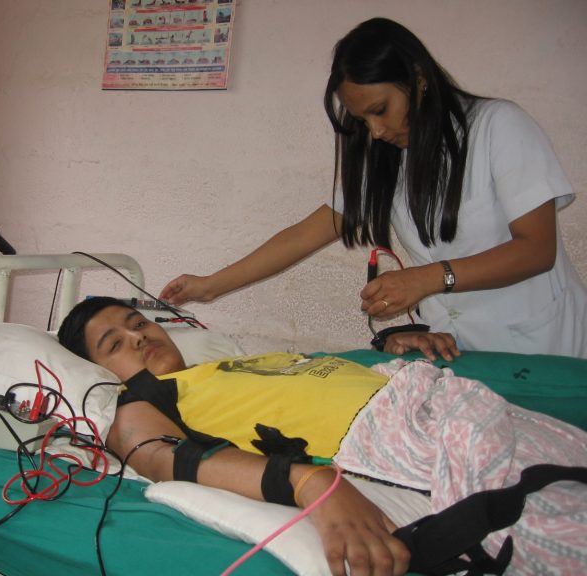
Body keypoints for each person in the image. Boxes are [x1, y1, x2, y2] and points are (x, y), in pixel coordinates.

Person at [58, 297, 587, 576]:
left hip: (432, 394)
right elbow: (161, 458)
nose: (138, 336)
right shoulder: (139, 403)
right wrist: (309, 483)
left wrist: (390, 343)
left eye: (137, 323)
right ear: (98, 371)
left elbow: (317, 377)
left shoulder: (228, 363)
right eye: (114, 343)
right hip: (397, 436)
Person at [159, 17, 587, 359]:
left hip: (543, 345)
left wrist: (427, 279)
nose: (376, 131)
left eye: (381, 110)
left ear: (418, 78)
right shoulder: (385, 158)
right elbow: (303, 235)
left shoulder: (498, 127)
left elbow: (537, 249)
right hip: (460, 348)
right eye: (363, 120)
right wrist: (211, 285)